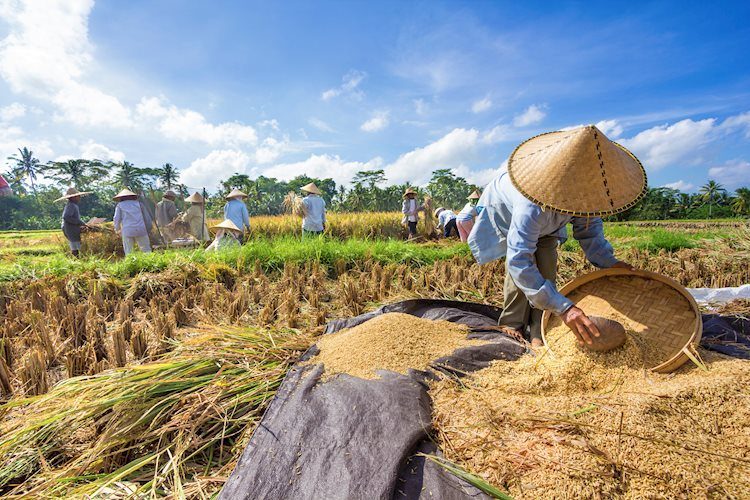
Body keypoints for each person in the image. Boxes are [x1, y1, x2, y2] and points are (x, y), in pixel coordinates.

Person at [468, 125, 646, 347]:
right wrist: (566, 308)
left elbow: (591, 235)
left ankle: (538, 329)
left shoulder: (585, 199)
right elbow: (519, 260)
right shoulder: (530, 206)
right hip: (505, 212)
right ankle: (512, 324)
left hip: (547, 227)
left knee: (547, 265)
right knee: (522, 271)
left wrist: (612, 264)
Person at [113, 188, 153, 255]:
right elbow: (147, 218)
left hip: (127, 230)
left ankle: (131, 263)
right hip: (141, 229)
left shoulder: (119, 205)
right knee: (146, 250)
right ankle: (149, 262)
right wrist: (149, 228)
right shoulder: (140, 204)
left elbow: (116, 218)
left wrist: (117, 229)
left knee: (129, 251)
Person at [55, 187, 92, 257]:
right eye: (78, 196)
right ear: (73, 197)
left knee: (75, 245)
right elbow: (66, 217)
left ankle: (77, 260)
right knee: (76, 246)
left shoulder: (72, 205)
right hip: (71, 229)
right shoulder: (71, 205)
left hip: (71, 228)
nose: (79, 198)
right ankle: (77, 260)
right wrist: (80, 223)